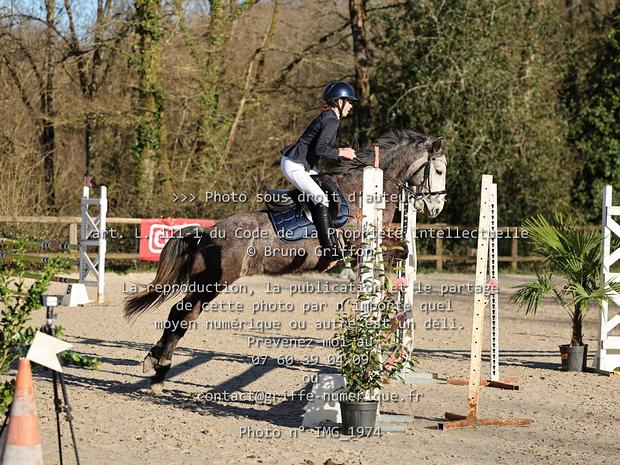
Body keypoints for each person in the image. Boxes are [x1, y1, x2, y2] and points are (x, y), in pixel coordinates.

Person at [280, 80, 358, 259]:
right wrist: (342, 152)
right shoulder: (331, 120)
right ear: (339, 101)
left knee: (329, 186)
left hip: (302, 165)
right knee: (321, 198)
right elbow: (320, 149)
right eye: (349, 101)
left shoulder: (330, 117)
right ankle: (328, 249)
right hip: (294, 165)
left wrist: (341, 151)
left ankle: (330, 235)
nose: (351, 106)